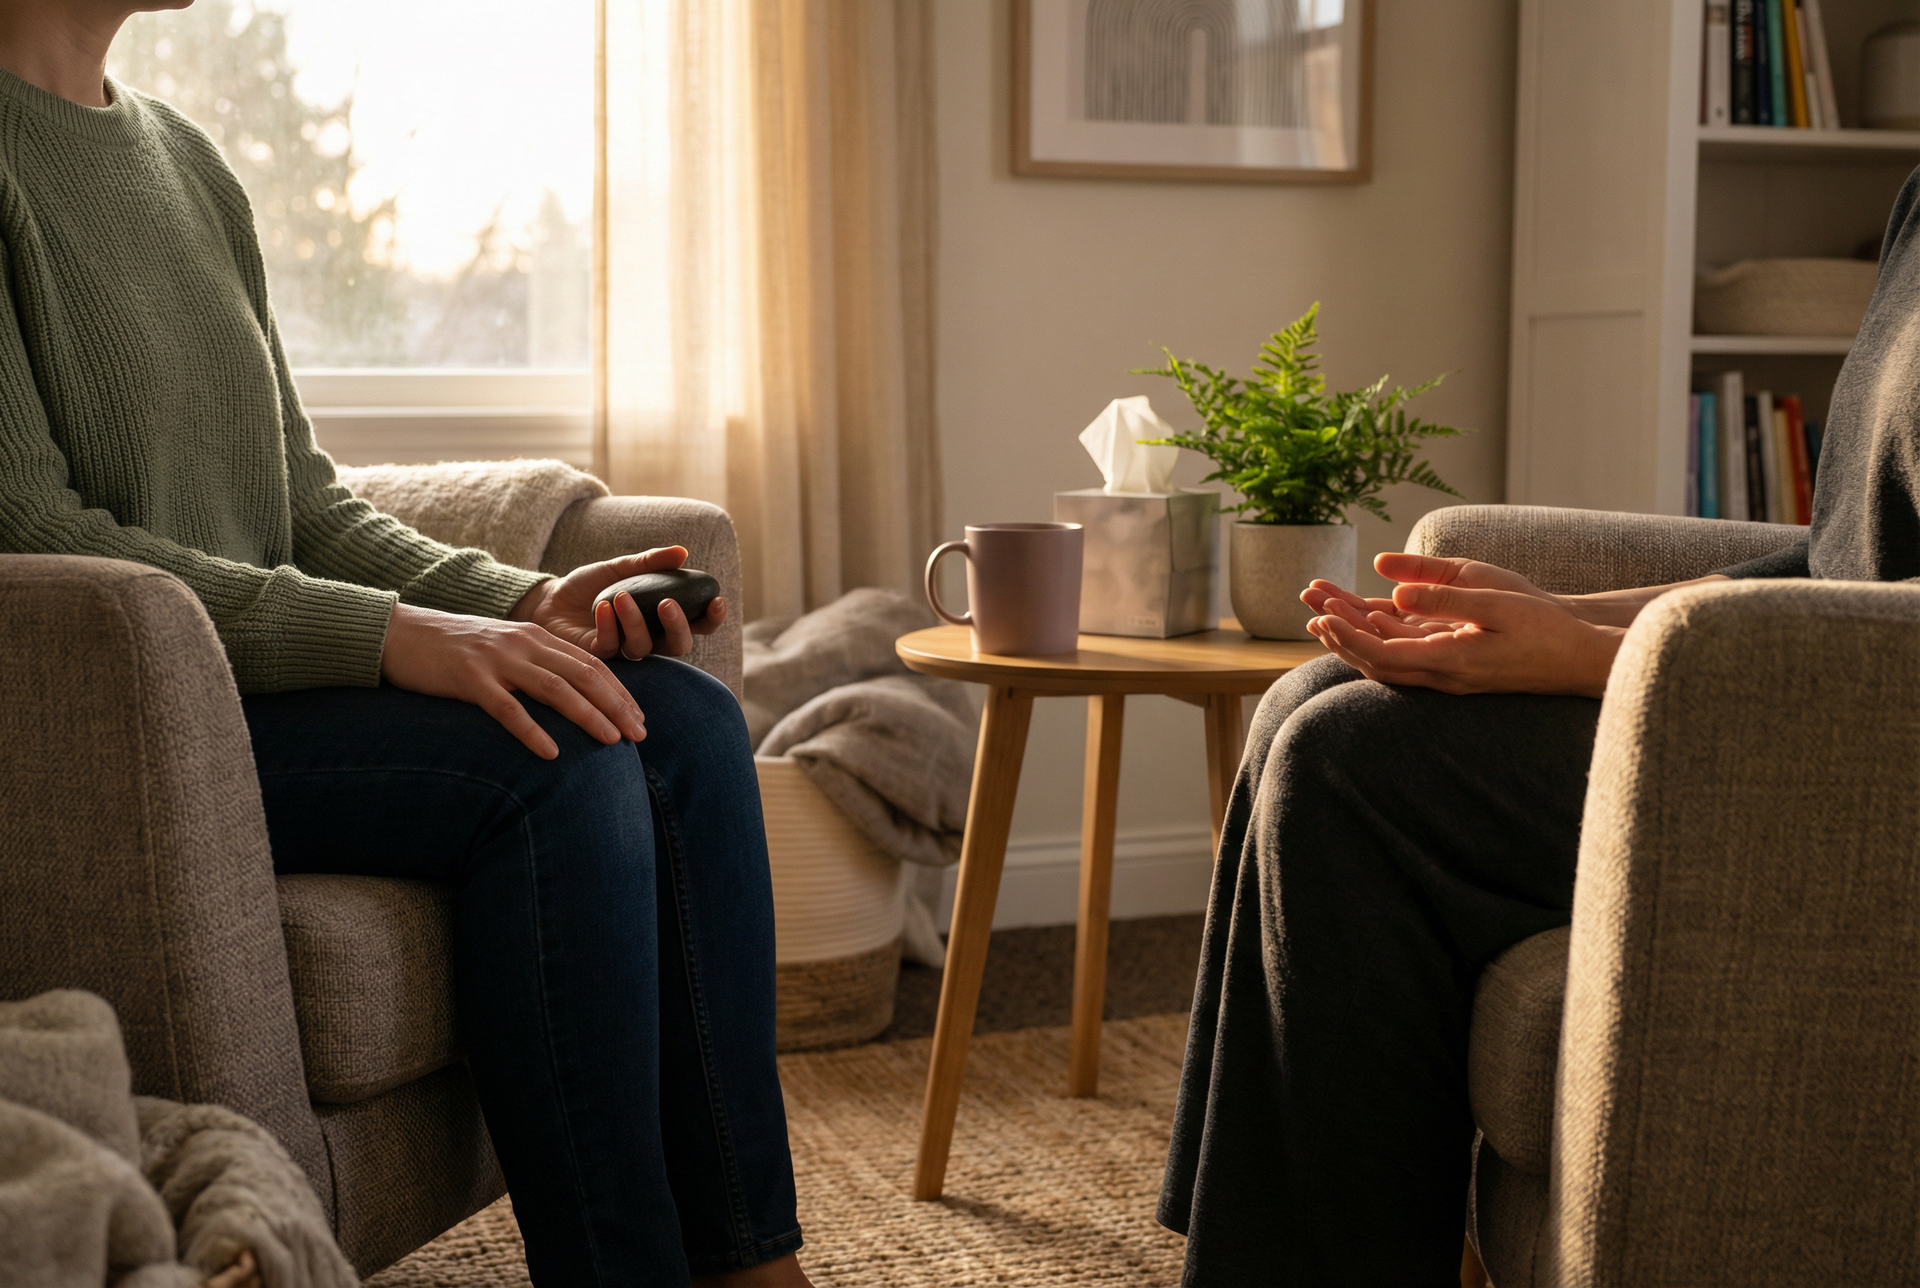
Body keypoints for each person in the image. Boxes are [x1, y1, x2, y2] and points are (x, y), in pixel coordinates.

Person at [0, 2, 811, 1284]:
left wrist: (516, 606)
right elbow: (32, 527)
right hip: (132, 731)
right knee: (554, 761)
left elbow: (306, 506)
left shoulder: (186, 160)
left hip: (276, 690)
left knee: (685, 718)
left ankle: (754, 1264)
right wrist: (391, 639)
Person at [1158, 167, 1920, 1286]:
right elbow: (1843, 556)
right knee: (1300, 706)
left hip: (1854, 771)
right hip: (1780, 693)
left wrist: (1590, 658)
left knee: (1352, 768)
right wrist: (1550, 614)